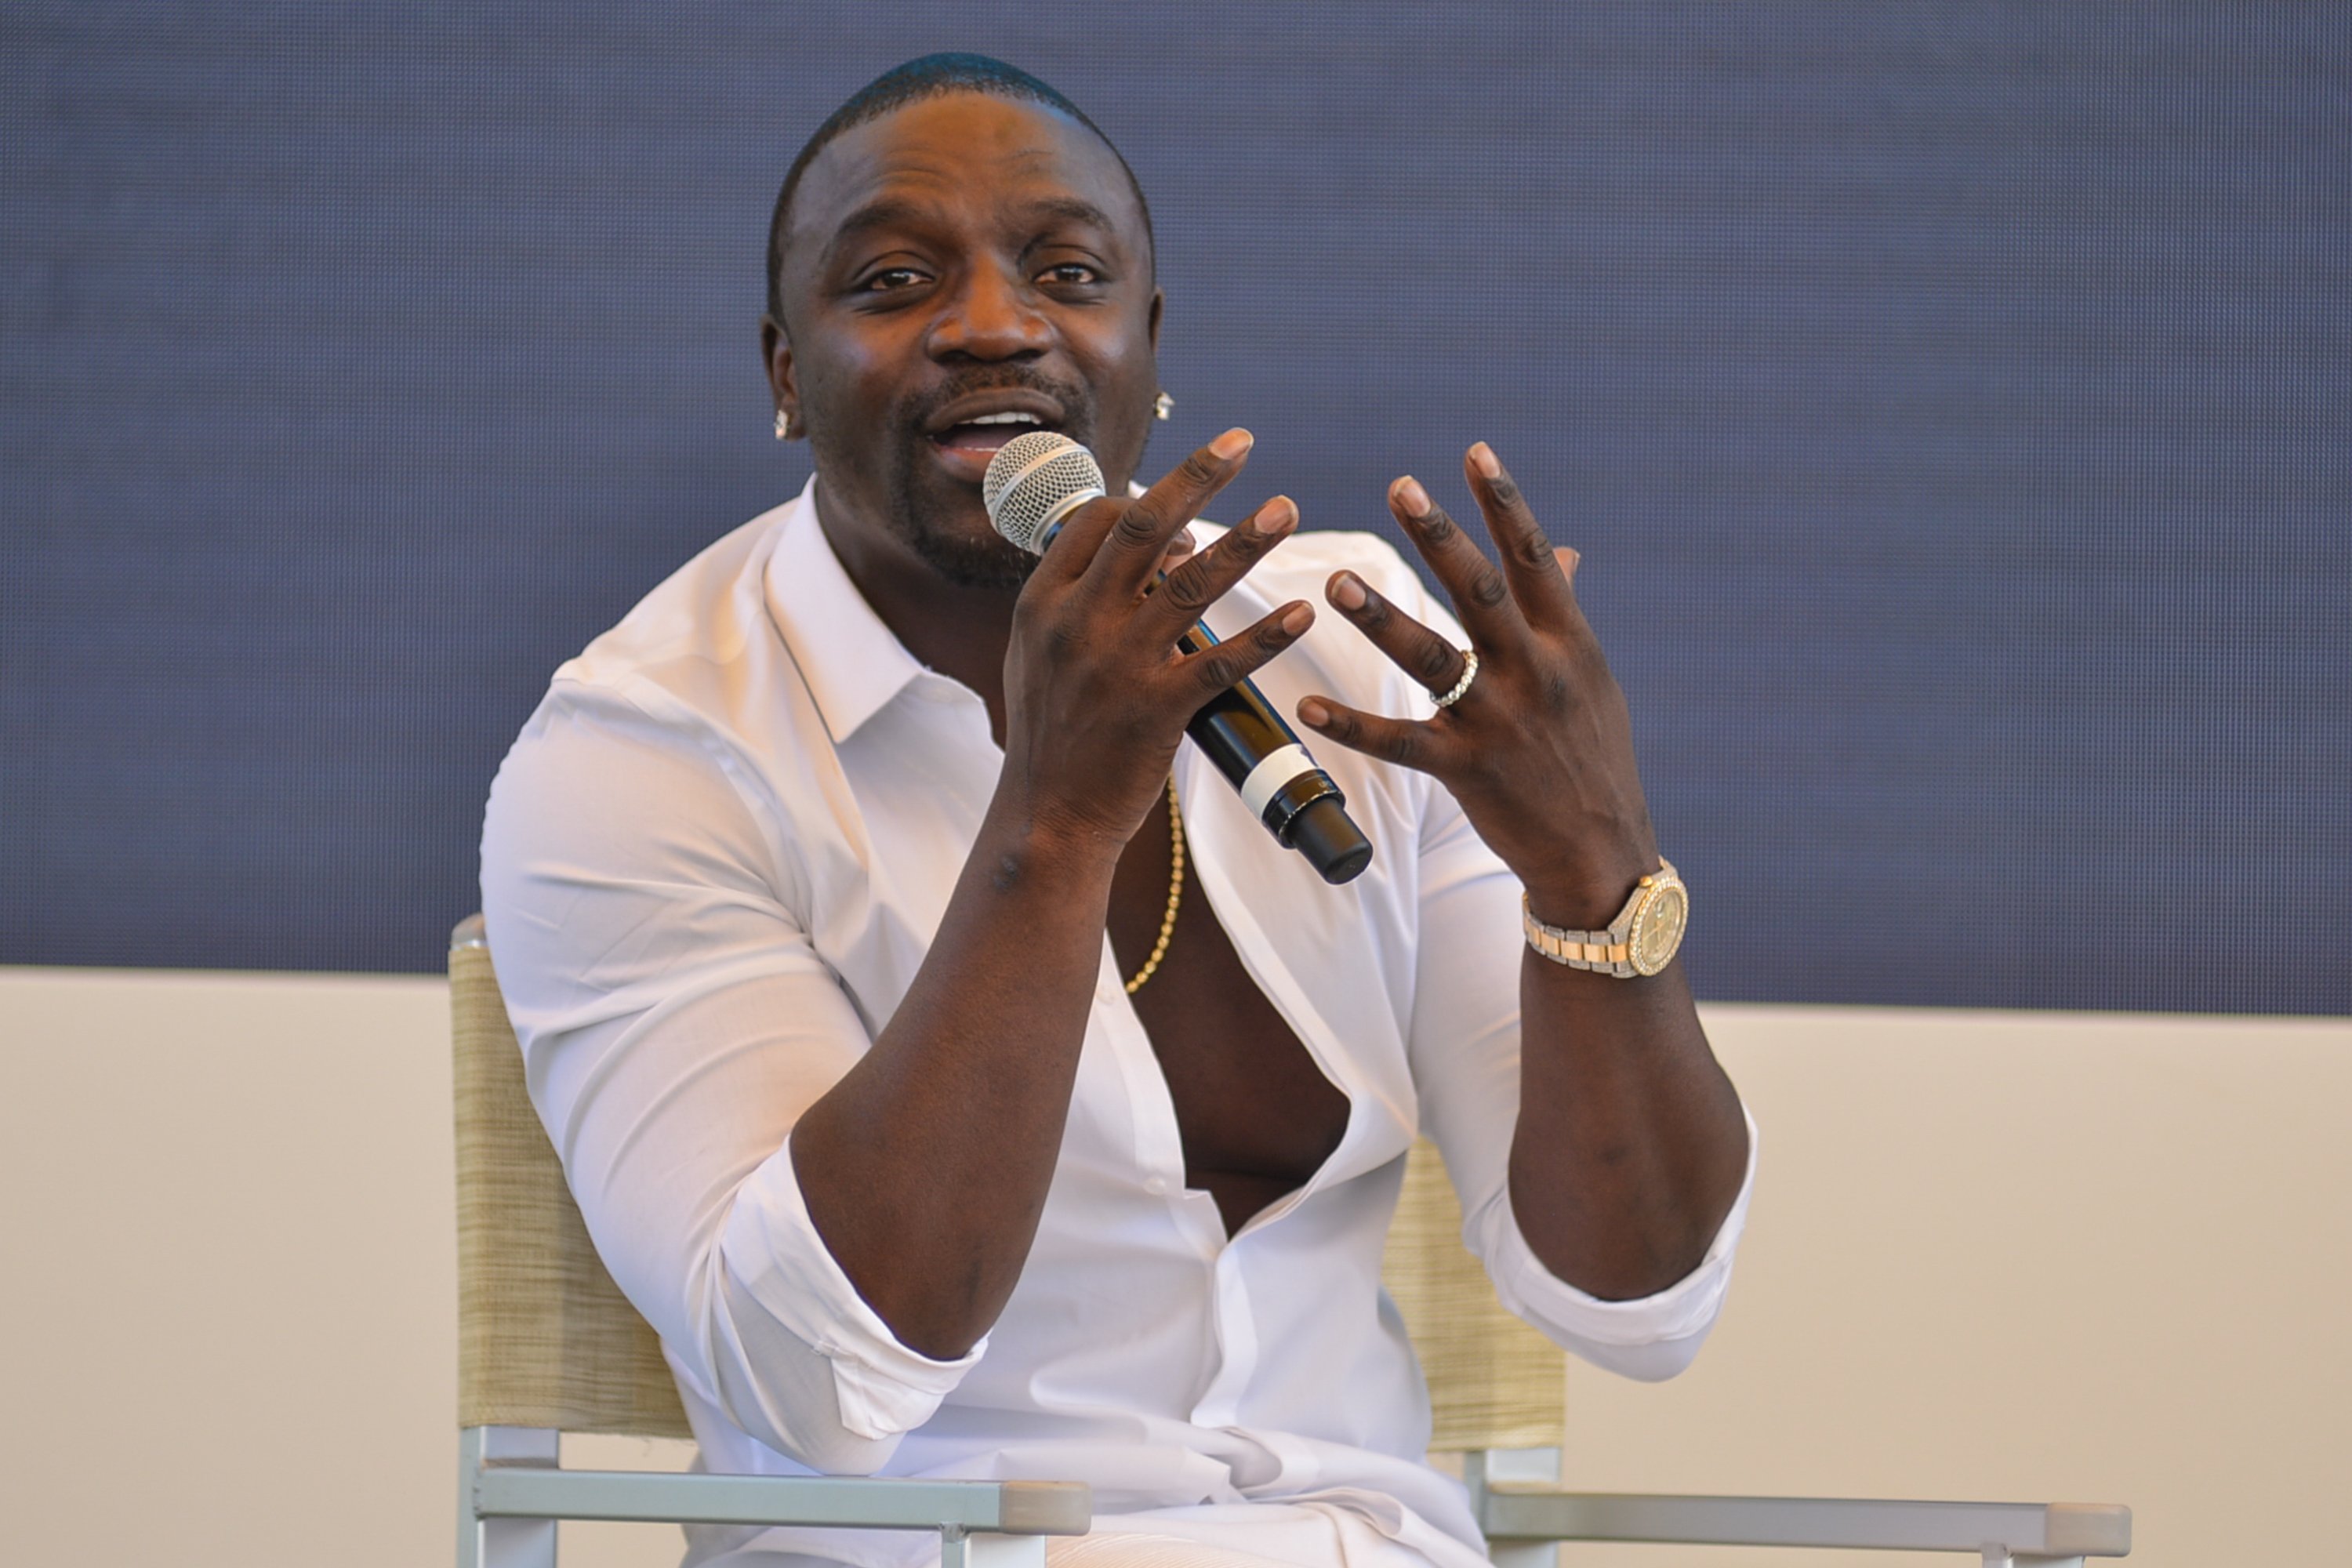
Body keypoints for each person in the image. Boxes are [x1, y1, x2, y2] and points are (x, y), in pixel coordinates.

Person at [481, 53, 1755, 1568]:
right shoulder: (649, 751)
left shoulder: (1347, 651)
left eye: (1067, 274)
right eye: (893, 280)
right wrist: (1061, 816)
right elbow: (821, 1383)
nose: (994, 327)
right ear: (783, 373)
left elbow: (1636, 1301)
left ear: (1147, 353)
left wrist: (1597, 884)